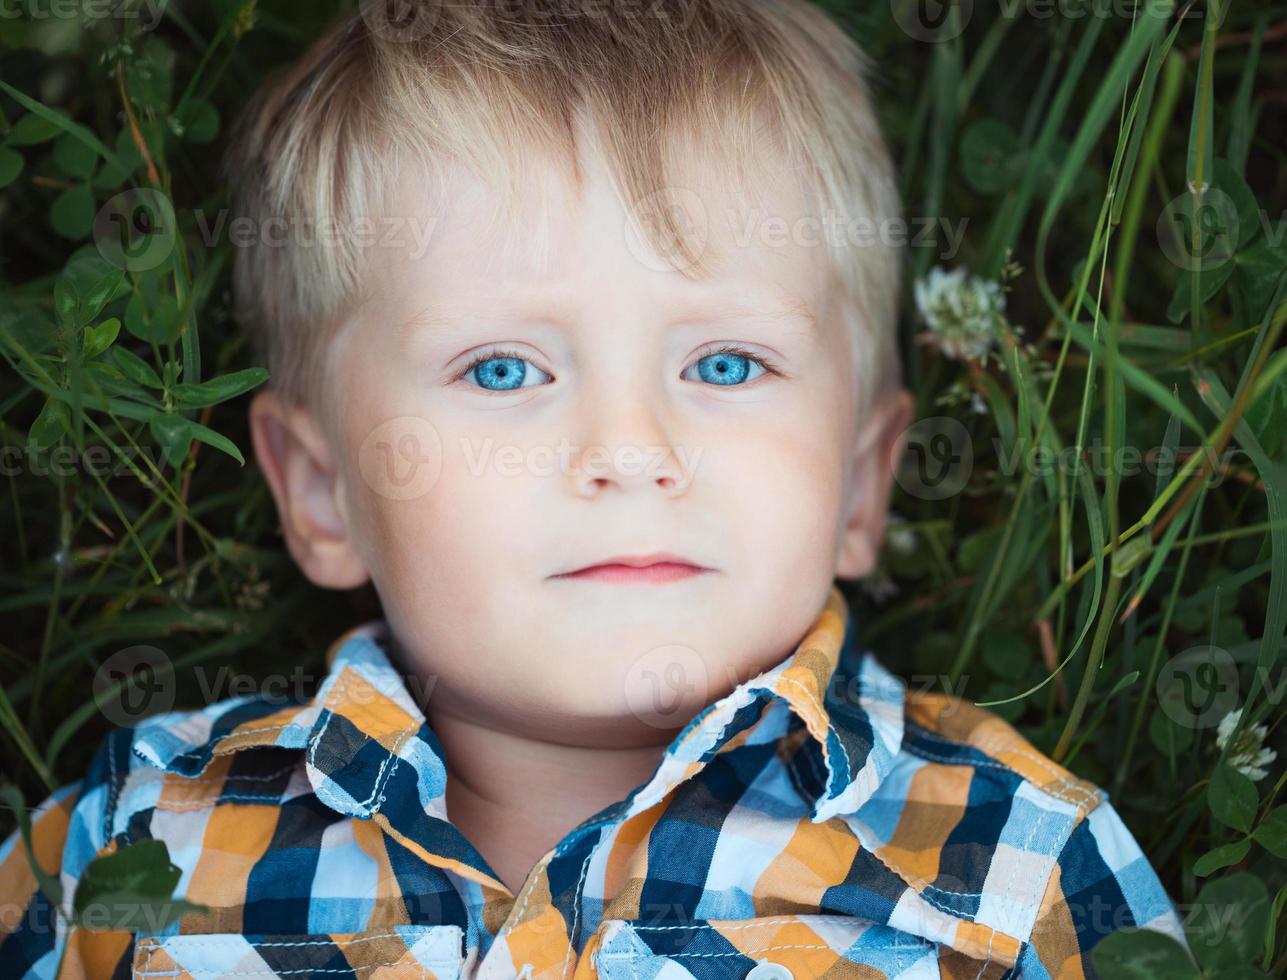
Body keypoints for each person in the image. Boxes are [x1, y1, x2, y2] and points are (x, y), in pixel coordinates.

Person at [0, 2, 1190, 976]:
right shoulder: (133, 839)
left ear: (861, 485)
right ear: (323, 490)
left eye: (725, 363)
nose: (628, 447)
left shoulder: (1017, 865)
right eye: (504, 368)